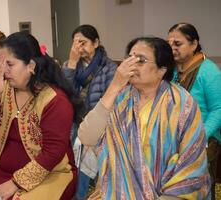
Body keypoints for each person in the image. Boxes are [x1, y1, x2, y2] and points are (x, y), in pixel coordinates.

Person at [78, 37, 211, 199]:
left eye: (140, 60)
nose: (131, 65)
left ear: (162, 70)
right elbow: (87, 137)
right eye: (129, 58)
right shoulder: (120, 98)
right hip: (117, 192)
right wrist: (114, 87)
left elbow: (191, 164)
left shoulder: (182, 105)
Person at [0, 32, 82, 200]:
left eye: (9, 64)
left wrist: (16, 183)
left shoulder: (55, 100)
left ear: (31, 65)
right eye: (1, 64)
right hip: (4, 170)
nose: (4, 71)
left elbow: (53, 153)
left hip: (51, 174)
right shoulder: (5, 90)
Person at [62, 24, 117, 199]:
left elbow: (109, 101)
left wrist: (89, 123)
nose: (79, 48)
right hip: (74, 122)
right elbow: (64, 95)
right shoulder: (69, 65)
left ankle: (85, 193)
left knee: (86, 158)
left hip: (98, 125)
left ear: (96, 43)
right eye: (75, 43)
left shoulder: (109, 67)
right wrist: (71, 64)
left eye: (83, 42)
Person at [168, 22, 221, 199]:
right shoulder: (173, 71)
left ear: (194, 44)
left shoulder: (209, 71)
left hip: (203, 141)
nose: (172, 48)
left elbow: (218, 109)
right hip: (176, 141)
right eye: (169, 43)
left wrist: (200, 136)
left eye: (177, 43)